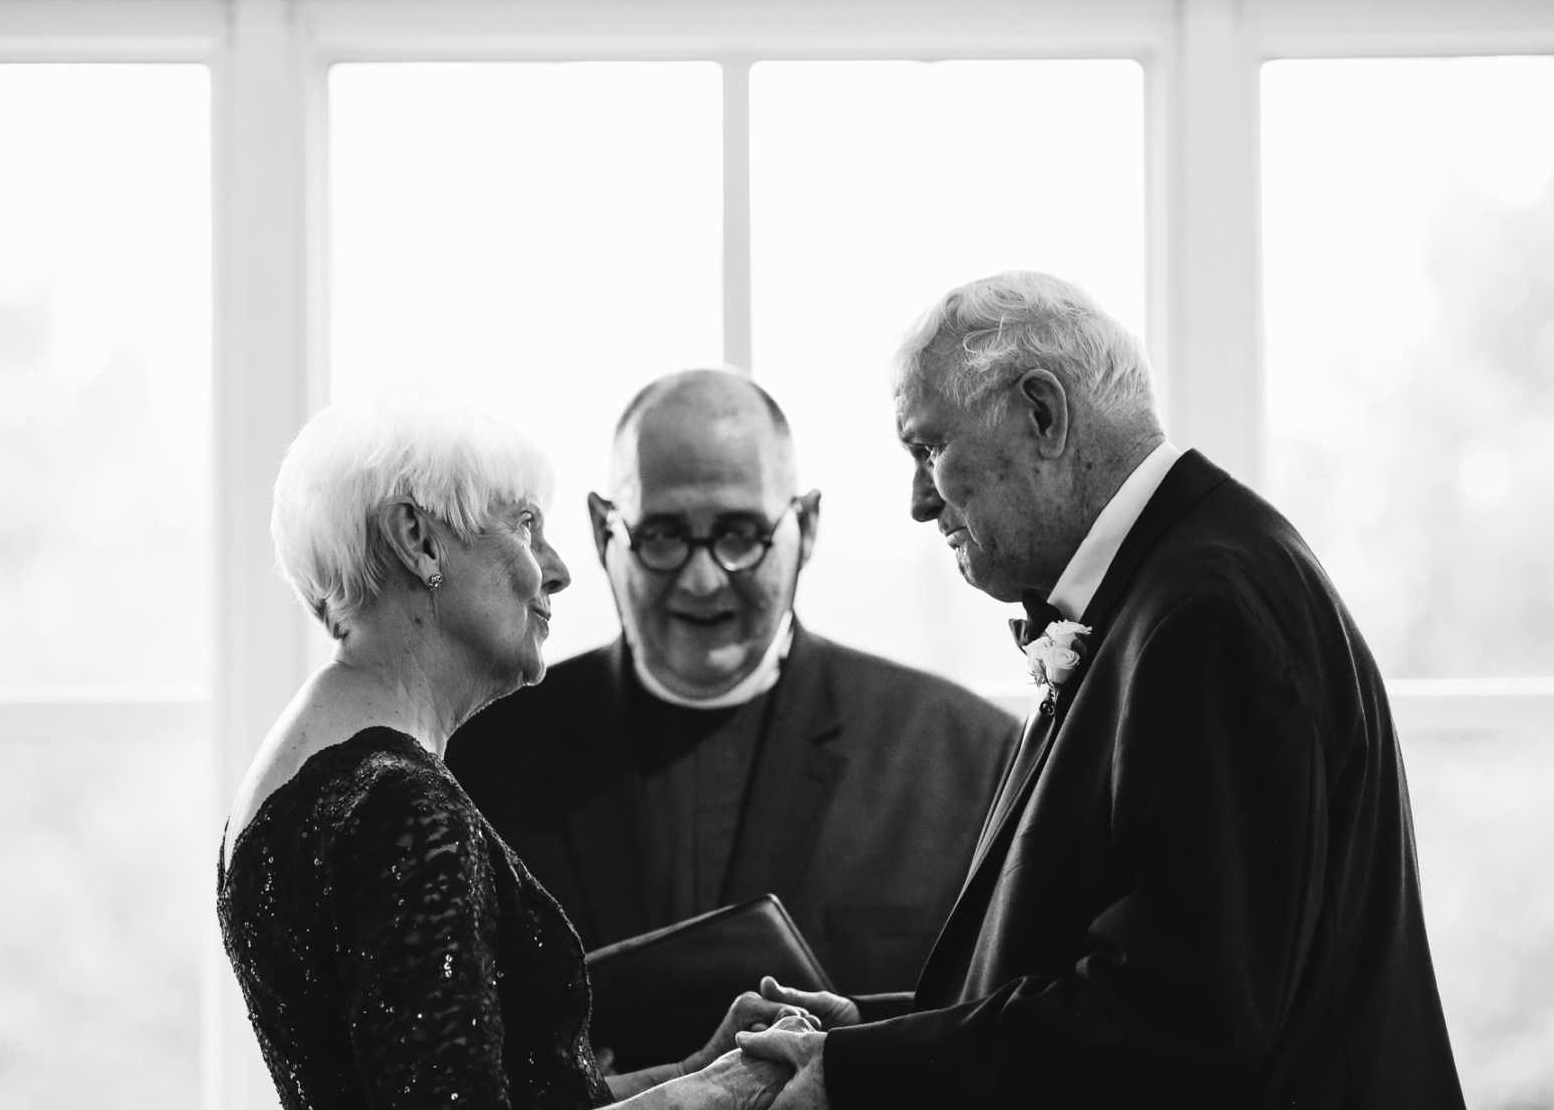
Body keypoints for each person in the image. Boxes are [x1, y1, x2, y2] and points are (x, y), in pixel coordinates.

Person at [737, 271, 1466, 1109]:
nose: (915, 501)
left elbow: (1184, 1023)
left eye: (928, 449)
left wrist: (862, 1077)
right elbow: (1104, 968)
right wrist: (861, 1036)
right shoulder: (1174, 587)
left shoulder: (1209, 616)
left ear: (1043, 414)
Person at [216, 393, 813, 1110]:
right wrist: (724, 1092)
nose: (556, 569)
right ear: (419, 540)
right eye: (526, 525)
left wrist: (693, 1067)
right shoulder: (401, 804)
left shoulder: (296, 773)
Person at [446, 371, 1020, 1019]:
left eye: (739, 534)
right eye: (661, 535)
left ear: (805, 527)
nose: (701, 580)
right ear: (605, 532)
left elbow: (995, 1030)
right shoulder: (476, 756)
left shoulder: (969, 760)